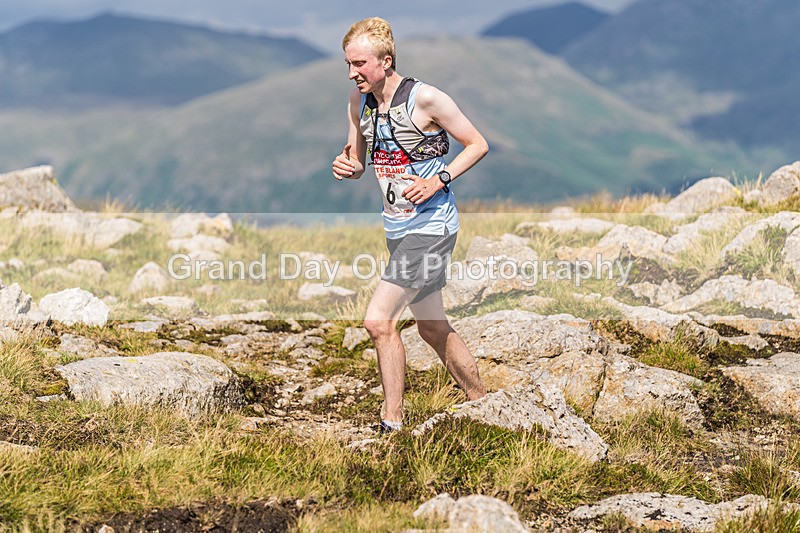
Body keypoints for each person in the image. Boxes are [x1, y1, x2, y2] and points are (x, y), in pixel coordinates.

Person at [331, 17, 488, 433]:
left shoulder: (426, 98)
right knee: (433, 328)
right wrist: (347, 166)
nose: (353, 73)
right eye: (348, 64)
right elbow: (359, 161)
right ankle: (485, 405)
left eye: (360, 64)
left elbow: (478, 144)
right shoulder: (358, 101)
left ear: (386, 60)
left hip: (432, 227)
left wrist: (440, 179)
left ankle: (392, 423)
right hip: (397, 229)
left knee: (378, 321)